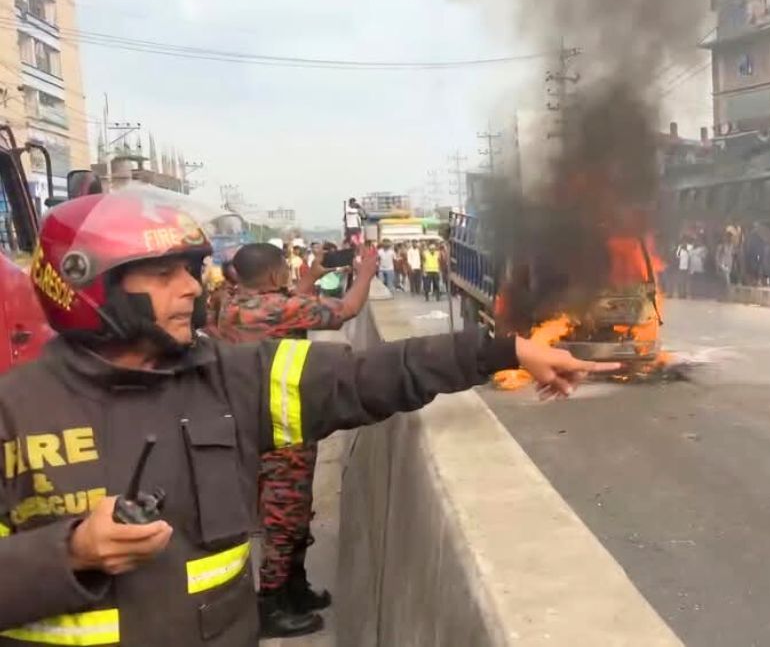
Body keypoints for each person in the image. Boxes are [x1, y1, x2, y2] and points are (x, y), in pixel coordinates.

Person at [0, 189, 616, 646]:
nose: (190, 287)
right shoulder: (14, 413)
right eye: (162, 276)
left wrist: (503, 350)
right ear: (88, 288)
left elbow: (368, 375)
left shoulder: (233, 377)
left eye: (190, 270)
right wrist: (72, 552)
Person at [217, 243, 375, 637]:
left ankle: (295, 589)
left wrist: (309, 277)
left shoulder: (236, 304)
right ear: (273, 276)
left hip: (265, 421)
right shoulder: (273, 307)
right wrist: (367, 272)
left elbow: (286, 307)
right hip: (280, 427)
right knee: (283, 516)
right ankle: (272, 604)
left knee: (295, 510)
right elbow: (345, 311)